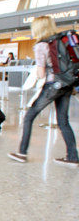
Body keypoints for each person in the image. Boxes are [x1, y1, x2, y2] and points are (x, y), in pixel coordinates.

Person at [8, 16, 78, 167]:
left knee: (29, 117)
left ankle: (22, 152)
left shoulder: (41, 45)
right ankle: (72, 156)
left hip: (52, 85)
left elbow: (41, 74)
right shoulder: (60, 41)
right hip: (66, 84)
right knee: (63, 121)